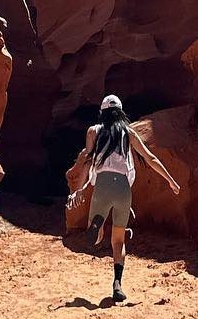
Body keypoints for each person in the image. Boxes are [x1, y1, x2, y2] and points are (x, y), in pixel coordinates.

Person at [70, 93, 180, 303]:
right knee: (118, 240)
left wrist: (79, 189)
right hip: (122, 188)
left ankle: (99, 227)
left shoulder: (94, 131)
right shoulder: (128, 132)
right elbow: (150, 158)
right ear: (120, 112)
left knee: (98, 234)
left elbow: (86, 160)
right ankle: (117, 283)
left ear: (102, 112)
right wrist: (170, 180)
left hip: (101, 185)